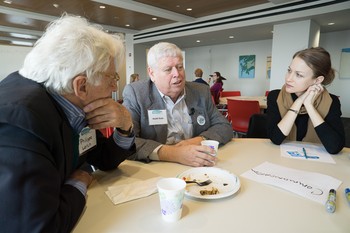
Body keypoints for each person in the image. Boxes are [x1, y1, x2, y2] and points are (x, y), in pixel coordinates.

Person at [0, 14, 136, 232]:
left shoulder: (72, 103)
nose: (114, 87)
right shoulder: (20, 123)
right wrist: (79, 181)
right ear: (81, 86)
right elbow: (38, 227)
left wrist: (125, 125)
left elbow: (104, 159)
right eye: (112, 78)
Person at [122, 42, 232, 167]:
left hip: (197, 164)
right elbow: (127, 142)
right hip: (156, 168)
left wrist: (197, 141)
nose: (177, 74)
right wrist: (174, 153)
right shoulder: (136, 94)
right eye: (168, 69)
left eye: (180, 67)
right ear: (152, 73)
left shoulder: (201, 91)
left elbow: (224, 126)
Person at [267, 47, 345, 154]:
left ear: (317, 80)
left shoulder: (332, 101)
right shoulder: (275, 96)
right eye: (289, 70)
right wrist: (298, 102)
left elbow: (335, 147)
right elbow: (275, 139)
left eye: (299, 75)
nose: (288, 78)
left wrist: (309, 105)